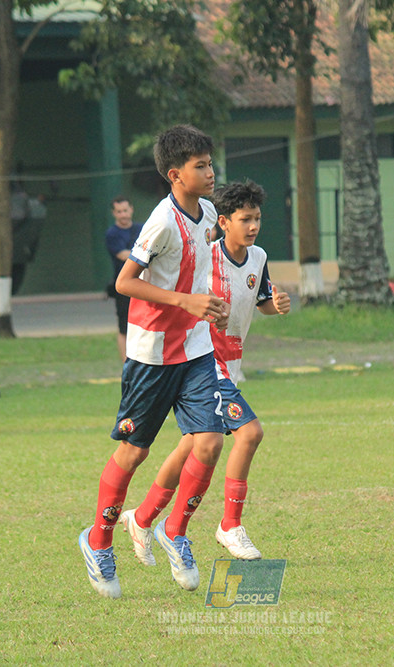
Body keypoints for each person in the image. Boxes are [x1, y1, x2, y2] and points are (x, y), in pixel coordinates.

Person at [78, 124, 229, 600]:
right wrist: (185, 301)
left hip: (196, 348)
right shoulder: (162, 222)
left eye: (210, 163)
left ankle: (174, 530)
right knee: (135, 452)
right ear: (174, 174)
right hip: (152, 355)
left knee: (209, 441)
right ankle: (98, 540)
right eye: (200, 166)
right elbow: (125, 282)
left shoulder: (208, 212)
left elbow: (200, 267)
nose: (211, 172)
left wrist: (212, 303)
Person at [119, 179, 291, 567]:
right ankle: (230, 524)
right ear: (223, 222)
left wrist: (276, 305)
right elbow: (182, 296)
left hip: (231, 363)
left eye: (257, 218)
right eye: (245, 219)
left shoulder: (259, 257)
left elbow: (262, 300)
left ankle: (142, 518)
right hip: (203, 360)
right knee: (250, 433)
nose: (253, 226)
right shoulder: (204, 255)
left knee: (192, 445)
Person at [104, 196, 144, 363]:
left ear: (131, 210)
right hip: (124, 287)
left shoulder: (142, 228)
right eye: (119, 212)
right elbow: (123, 255)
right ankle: (126, 364)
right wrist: (146, 254)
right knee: (124, 327)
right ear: (114, 213)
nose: (123, 215)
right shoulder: (112, 234)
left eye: (125, 210)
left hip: (144, 284)